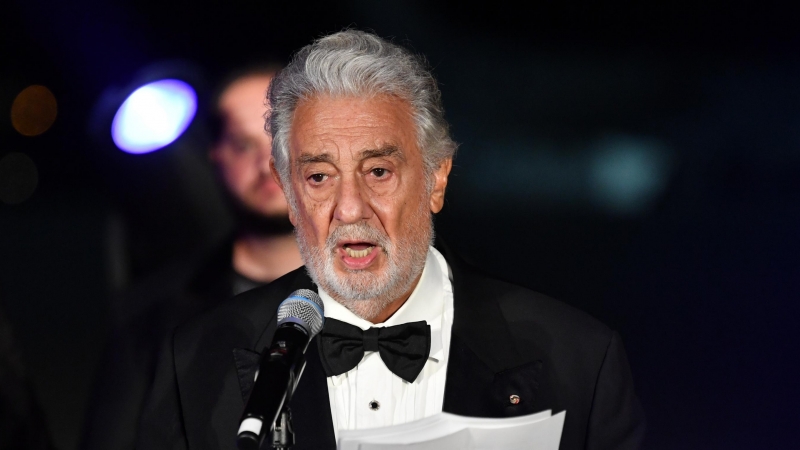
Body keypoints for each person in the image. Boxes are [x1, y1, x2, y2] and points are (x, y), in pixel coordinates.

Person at [137, 30, 645, 450]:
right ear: (290, 193)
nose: (350, 209)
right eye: (319, 177)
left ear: (436, 179)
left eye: (378, 171)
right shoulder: (199, 359)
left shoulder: (579, 359)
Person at [81, 66, 302, 450]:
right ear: (216, 154)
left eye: (282, 136)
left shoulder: (400, 289)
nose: (268, 162)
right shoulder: (152, 318)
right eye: (244, 144)